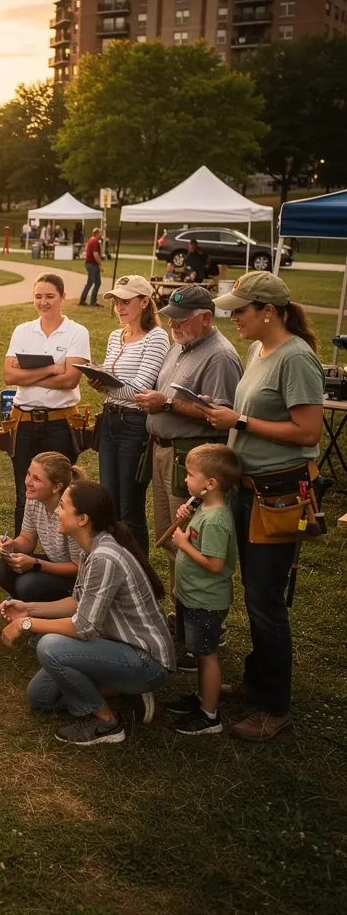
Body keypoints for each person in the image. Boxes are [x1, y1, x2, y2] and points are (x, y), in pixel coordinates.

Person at [206, 272, 323, 741]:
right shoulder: (259, 350)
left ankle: (276, 709)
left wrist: (242, 420)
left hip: (278, 495)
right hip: (250, 489)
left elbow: (309, 432)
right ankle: (257, 681)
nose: (234, 317)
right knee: (254, 594)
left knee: (266, 602)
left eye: (241, 309)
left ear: (269, 311)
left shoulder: (297, 358)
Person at [1, 481, 174, 745]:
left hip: (146, 660)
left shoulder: (104, 556)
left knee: (49, 646)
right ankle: (122, 689)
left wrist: (27, 624)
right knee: (41, 698)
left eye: (62, 506)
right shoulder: (91, 549)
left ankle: (106, 724)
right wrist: (28, 608)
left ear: (82, 519)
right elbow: (76, 602)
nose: (56, 512)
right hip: (115, 645)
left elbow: (82, 627)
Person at [134, 284, 243, 598]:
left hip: (190, 458)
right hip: (162, 451)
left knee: (189, 536)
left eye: (181, 319)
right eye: (170, 318)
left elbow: (222, 414)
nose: (173, 325)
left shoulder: (220, 356)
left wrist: (166, 404)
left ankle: (196, 615)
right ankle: (181, 612)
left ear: (206, 318)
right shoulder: (179, 345)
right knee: (169, 535)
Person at [88, 274, 170, 553]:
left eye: (126, 301)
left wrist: (108, 384)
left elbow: (141, 390)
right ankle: (115, 564)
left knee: (130, 506)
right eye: (116, 302)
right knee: (108, 501)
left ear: (145, 302)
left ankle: (139, 571)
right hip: (110, 419)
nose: (119, 307)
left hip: (134, 424)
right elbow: (114, 382)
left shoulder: (157, 337)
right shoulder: (116, 336)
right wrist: (98, 381)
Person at [3, 273, 90, 535]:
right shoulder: (23, 331)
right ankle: (20, 549)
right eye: (38, 296)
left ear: (63, 297)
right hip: (24, 422)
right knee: (24, 492)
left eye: (50, 296)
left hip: (60, 424)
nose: (44, 302)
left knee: (61, 493)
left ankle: (64, 554)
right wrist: (53, 368)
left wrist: (29, 377)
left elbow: (70, 380)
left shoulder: (77, 332)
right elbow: (9, 376)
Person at [166, 444, 241, 736]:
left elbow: (214, 564)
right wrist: (186, 514)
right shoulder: (204, 506)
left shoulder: (216, 519)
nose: (185, 478)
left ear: (210, 484)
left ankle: (210, 716)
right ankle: (201, 698)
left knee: (207, 655)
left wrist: (183, 544)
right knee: (198, 653)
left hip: (206, 600)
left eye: (191, 474)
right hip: (191, 595)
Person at [0, 451, 82, 602]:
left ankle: (50, 611)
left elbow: (79, 568)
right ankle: (27, 607)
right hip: (56, 563)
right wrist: (11, 544)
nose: (27, 482)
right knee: (2, 569)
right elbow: (27, 539)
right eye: (28, 474)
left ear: (56, 487)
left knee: (27, 585)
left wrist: (36, 564)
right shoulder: (35, 499)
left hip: (78, 577)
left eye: (36, 479)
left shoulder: (71, 512)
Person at [78, 227, 103, 306]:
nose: (101, 234)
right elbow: (95, 254)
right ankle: (92, 301)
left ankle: (84, 300)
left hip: (89, 263)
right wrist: (100, 264)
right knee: (96, 283)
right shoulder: (95, 241)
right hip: (92, 264)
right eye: (100, 233)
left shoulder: (91, 240)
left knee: (91, 283)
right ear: (97, 233)